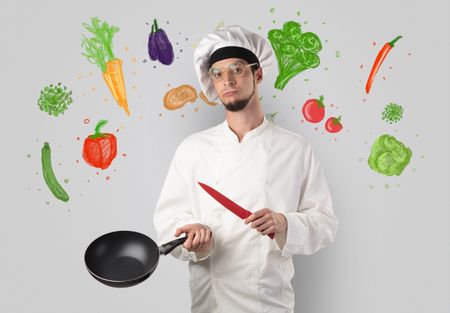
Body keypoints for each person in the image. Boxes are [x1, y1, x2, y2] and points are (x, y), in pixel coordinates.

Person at [153, 25, 338, 313]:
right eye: (217, 74)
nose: (227, 80)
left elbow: (325, 225)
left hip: (270, 302)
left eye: (237, 70)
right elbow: (168, 222)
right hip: (210, 303)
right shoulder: (193, 149)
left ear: (257, 74)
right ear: (212, 83)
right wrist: (191, 241)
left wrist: (285, 224)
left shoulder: (295, 148)